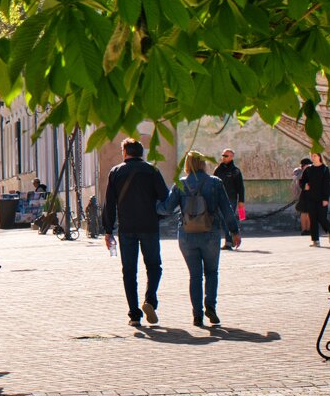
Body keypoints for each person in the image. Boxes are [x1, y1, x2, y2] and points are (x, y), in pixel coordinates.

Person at [161, 151, 241, 327]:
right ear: (203, 163)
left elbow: (167, 209)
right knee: (212, 272)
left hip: (186, 235)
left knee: (194, 276)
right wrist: (234, 232)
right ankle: (210, 306)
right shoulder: (215, 182)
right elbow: (226, 209)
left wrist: (151, 204)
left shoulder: (180, 184)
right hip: (210, 233)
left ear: (187, 164)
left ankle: (197, 315)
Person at [102, 138, 169, 326]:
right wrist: (158, 217)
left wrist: (108, 230)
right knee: (154, 266)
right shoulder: (152, 170)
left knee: (129, 271)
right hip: (149, 226)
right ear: (141, 153)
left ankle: (134, 315)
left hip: (127, 228)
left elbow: (109, 203)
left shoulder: (116, 172)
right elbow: (165, 198)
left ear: (125, 152)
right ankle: (150, 301)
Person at [212, 148, 245, 250]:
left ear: (231, 157)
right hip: (218, 199)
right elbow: (213, 183)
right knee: (222, 220)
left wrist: (241, 201)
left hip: (231, 199)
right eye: (223, 155)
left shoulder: (235, 171)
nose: (224, 157)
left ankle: (229, 242)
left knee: (228, 219)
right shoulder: (218, 169)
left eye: (226, 156)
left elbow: (240, 187)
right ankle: (229, 240)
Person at [301, 152, 330, 247]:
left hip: (321, 198)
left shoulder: (325, 169)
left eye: (315, 155)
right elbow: (302, 181)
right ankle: (315, 240)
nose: (313, 157)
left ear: (319, 157)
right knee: (313, 219)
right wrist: (304, 185)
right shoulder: (308, 169)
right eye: (311, 155)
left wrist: (325, 198)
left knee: (322, 218)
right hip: (310, 198)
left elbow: (327, 185)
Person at [292, 158, 312, 235]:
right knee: (305, 212)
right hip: (303, 194)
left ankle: (307, 229)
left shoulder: (297, 172)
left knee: (306, 212)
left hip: (302, 194)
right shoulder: (301, 173)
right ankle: (306, 229)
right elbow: (300, 184)